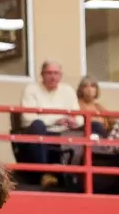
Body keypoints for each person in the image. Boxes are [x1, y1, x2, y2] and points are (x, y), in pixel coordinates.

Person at [13, 60, 80, 188]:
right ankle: (44, 174)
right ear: (42, 74)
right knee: (38, 125)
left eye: (56, 73)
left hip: (64, 132)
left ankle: (93, 178)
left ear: (61, 75)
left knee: (94, 127)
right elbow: (28, 119)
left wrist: (74, 121)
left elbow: (80, 117)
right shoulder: (31, 89)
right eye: (49, 73)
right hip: (39, 133)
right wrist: (56, 120)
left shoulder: (68, 90)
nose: (53, 76)